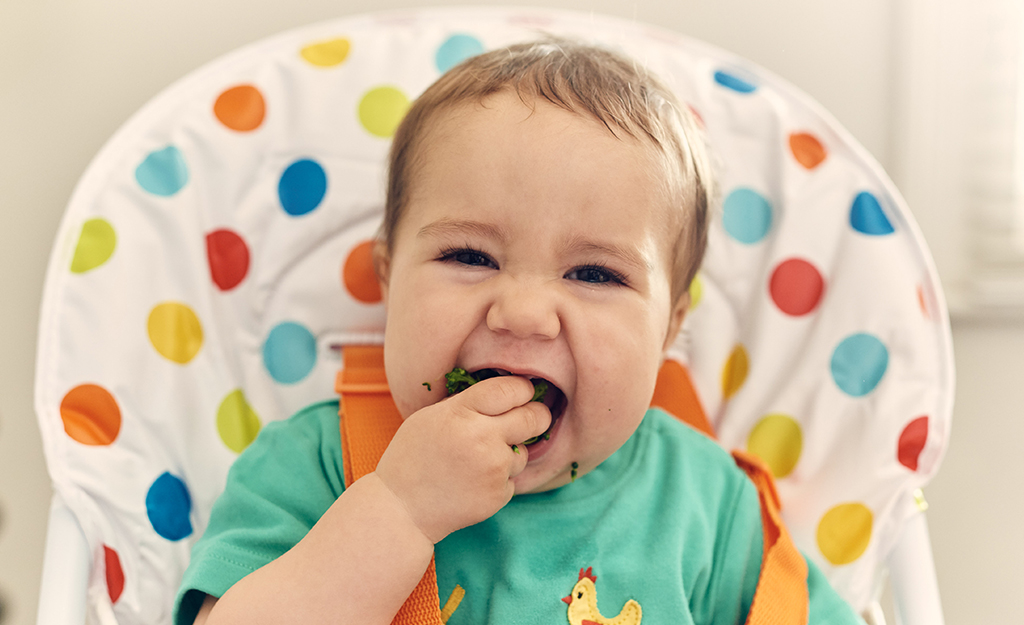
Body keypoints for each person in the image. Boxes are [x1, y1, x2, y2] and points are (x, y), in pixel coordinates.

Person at [175, 39, 864, 625]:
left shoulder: (708, 502)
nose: (526, 314)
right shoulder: (316, 464)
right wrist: (400, 510)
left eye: (594, 273)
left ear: (668, 329)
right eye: (470, 257)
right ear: (389, 281)